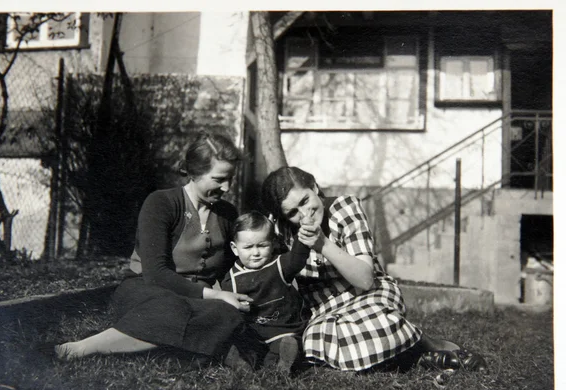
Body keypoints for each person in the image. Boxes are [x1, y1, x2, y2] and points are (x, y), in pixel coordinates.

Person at [53, 132, 260, 371]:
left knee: (228, 313)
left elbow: (228, 269)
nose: (226, 187)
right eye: (219, 179)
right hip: (149, 290)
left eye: (230, 179)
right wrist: (214, 296)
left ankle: (169, 351)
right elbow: (156, 273)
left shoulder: (227, 213)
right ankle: (83, 347)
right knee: (172, 309)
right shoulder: (161, 203)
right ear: (194, 172)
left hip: (196, 300)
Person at [261, 166, 487, 372]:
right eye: (292, 212)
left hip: (367, 294)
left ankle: (430, 344)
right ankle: (416, 358)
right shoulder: (283, 231)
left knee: (376, 321)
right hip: (325, 308)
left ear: (314, 187)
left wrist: (323, 245)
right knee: (316, 339)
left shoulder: (344, 209)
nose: (304, 215)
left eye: (304, 201)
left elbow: (365, 279)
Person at [220, 211, 311, 372]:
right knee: (245, 345)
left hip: (282, 329)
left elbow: (297, 258)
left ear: (273, 243)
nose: (255, 253)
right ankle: (243, 362)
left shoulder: (280, 265)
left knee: (287, 345)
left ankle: (279, 365)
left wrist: (304, 233)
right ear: (235, 249)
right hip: (255, 333)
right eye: (248, 247)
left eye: (262, 246)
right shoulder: (231, 279)